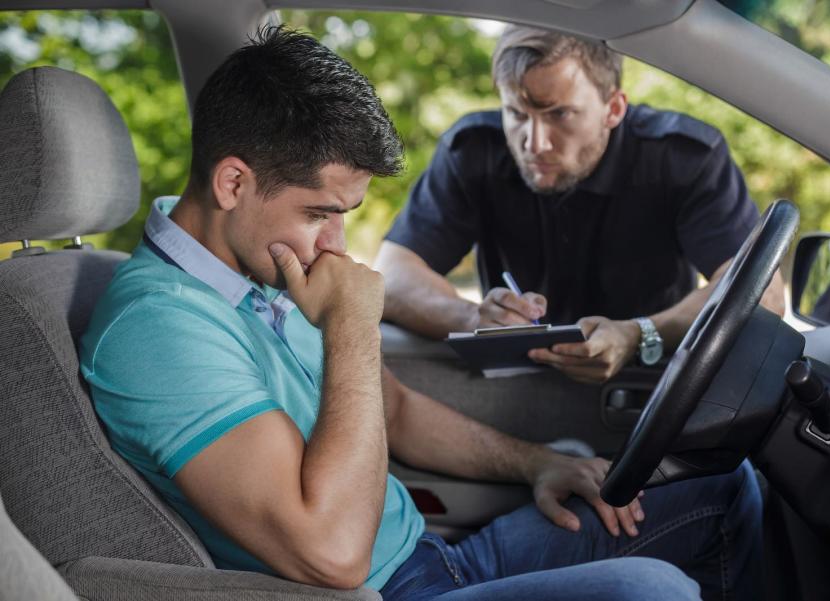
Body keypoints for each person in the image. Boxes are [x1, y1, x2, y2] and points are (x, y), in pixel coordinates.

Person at [79, 27, 762, 601]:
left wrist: (535, 462)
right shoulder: (157, 326)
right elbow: (335, 554)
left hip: (435, 556)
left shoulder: (250, 266)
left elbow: (395, 411)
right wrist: (350, 327)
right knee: (652, 591)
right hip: (388, 588)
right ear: (233, 182)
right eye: (320, 213)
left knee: (726, 493)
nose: (336, 248)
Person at [375, 25, 785, 385]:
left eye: (560, 114)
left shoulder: (682, 159)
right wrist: (474, 319)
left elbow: (762, 295)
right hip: (517, 389)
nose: (534, 143)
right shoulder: (473, 151)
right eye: (516, 113)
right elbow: (392, 276)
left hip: (649, 389)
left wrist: (638, 334)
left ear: (614, 108)